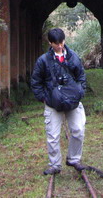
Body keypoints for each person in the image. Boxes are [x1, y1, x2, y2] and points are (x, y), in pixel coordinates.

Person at [31, 27, 87, 175]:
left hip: (72, 101)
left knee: (78, 130)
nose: (60, 45)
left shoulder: (73, 57)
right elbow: (36, 81)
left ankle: (74, 159)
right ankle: (55, 165)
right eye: (56, 43)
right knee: (53, 135)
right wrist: (43, 97)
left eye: (61, 42)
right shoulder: (43, 61)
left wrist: (80, 91)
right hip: (52, 103)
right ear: (50, 43)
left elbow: (81, 76)